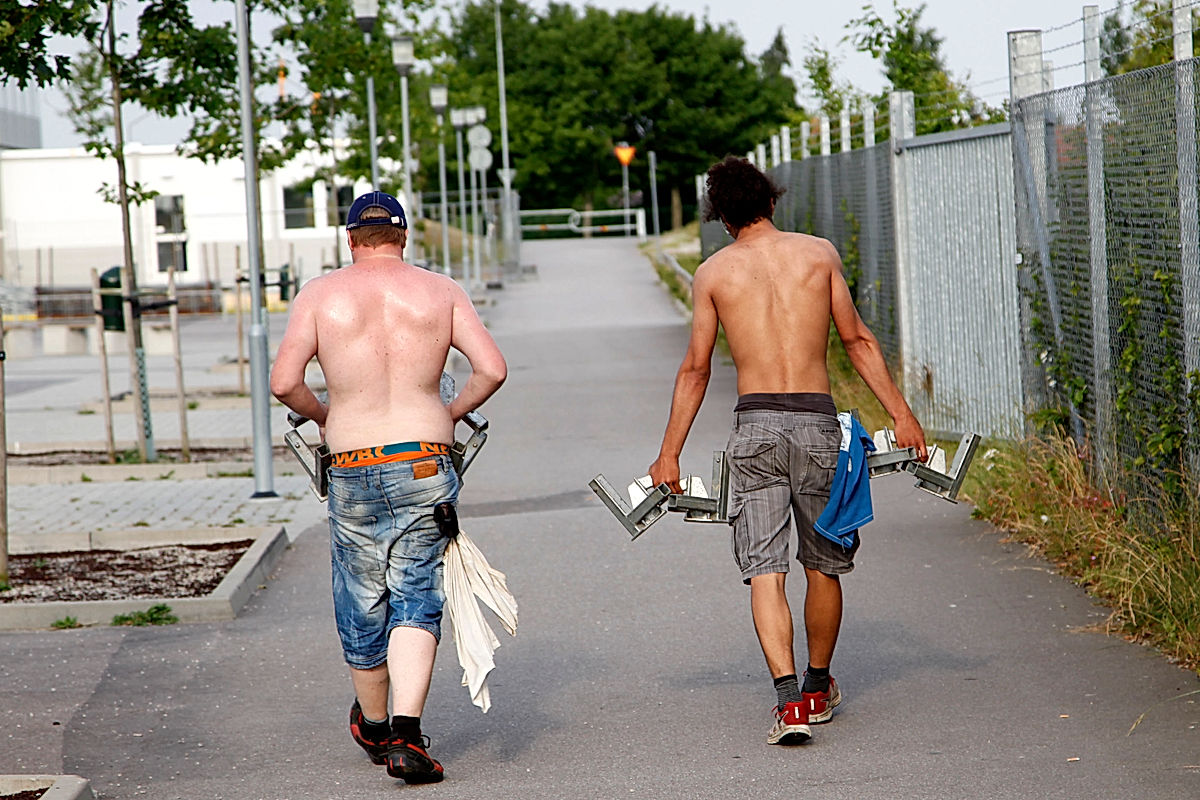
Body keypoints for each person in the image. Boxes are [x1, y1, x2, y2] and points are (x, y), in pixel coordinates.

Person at [648, 156, 926, 746]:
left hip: (755, 429)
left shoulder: (714, 274)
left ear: (722, 218)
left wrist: (669, 453)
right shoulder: (818, 254)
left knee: (764, 571)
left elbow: (696, 370)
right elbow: (857, 339)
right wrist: (902, 416)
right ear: (772, 202)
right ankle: (819, 684)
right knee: (823, 563)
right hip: (817, 425)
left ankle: (788, 701)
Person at [270, 191, 507, 782]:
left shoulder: (320, 295)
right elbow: (493, 369)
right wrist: (448, 414)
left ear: (351, 239)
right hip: (426, 458)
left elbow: (283, 383)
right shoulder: (441, 290)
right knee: (416, 593)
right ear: (403, 237)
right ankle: (407, 735)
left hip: (351, 460)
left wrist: (325, 415)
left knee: (361, 592)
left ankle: (374, 726)